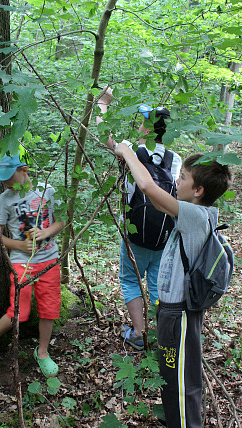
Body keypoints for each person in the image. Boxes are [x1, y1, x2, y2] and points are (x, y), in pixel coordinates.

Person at [114, 142, 233, 428]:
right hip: (173, 312)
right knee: (174, 373)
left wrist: (126, 152)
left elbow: (149, 187)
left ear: (197, 189)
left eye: (182, 177)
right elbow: (153, 195)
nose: (175, 181)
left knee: (179, 378)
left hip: (179, 314)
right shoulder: (193, 213)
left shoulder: (195, 215)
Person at [96, 88, 182, 350]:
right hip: (163, 237)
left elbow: (104, 136)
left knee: (131, 279)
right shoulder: (174, 159)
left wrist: (102, 103)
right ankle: (160, 334)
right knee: (157, 283)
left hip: (135, 236)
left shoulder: (130, 151)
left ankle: (138, 332)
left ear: (146, 129)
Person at [0, 153, 64, 378]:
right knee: (18, 311)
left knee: (49, 308)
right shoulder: (5, 200)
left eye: (8, 177)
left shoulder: (47, 191)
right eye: (1, 178)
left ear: (24, 170)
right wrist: (19, 246)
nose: (5, 183)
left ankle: (42, 352)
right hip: (21, 262)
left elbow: (62, 220)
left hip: (49, 259)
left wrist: (46, 232)